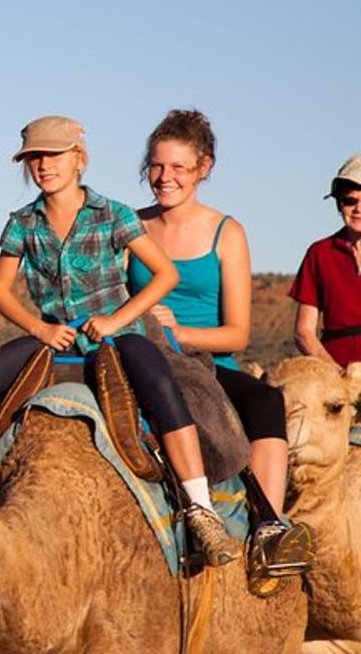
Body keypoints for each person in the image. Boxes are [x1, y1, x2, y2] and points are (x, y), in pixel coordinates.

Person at [0, 115, 239, 565]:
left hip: (118, 335)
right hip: (54, 336)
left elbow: (165, 274)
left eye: (54, 156)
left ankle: (200, 509)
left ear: (79, 160)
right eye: (35, 158)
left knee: (160, 383)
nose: (44, 166)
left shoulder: (112, 214)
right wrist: (39, 328)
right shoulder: (23, 223)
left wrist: (116, 318)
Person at [128, 109, 313, 585]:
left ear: (203, 168)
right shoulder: (129, 227)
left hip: (208, 362)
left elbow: (238, 334)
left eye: (178, 168)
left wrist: (176, 330)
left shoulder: (226, 233)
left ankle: (268, 527)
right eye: (156, 166)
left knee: (265, 401)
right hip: (144, 356)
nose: (164, 178)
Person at [290, 154, 361, 370]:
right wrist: (337, 377)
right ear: (339, 204)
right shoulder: (320, 254)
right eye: (350, 201)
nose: (358, 209)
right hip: (334, 374)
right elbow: (304, 332)